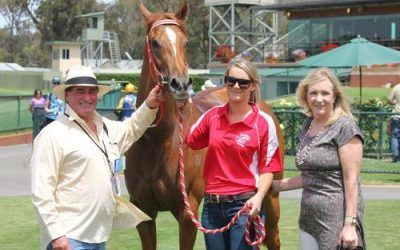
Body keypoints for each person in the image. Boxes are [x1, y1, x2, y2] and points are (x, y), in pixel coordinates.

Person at [30, 66, 165, 250]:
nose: (88, 97)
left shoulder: (105, 128)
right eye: (80, 91)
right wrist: (57, 235)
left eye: (92, 91)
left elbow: (131, 129)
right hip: (69, 238)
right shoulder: (52, 135)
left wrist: (149, 105)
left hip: (98, 236)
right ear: (66, 95)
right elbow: (41, 192)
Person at [186, 60, 283, 250]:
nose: (236, 86)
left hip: (245, 205)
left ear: (253, 86)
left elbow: (268, 168)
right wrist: (182, 108)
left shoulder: (263, 122)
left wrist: (259, 197)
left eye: (243, 82)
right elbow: (191, 140)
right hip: (212, 208)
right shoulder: (212, 116)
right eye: (231, 81)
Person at [272, 68, 365, 249]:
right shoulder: (308, 124)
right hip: (309, 219)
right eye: (313, 93)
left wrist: (349, 225)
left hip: (336, 221)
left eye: (325, 93)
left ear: (334, 97)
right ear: (306, 97)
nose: (319, 98)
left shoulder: (345, 126)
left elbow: (351, 180)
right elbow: (312, 176)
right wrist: (275, 185)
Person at [387, 82, 400, 162]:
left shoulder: (397, 87)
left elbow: (389, 100)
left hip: (397, 115)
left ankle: (395, 154)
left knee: (395, 135)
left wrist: (395, 103)